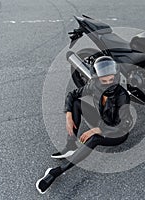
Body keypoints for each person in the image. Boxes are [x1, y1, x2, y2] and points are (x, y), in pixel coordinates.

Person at [36, 56, 133, 194]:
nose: (108, 84)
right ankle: (70, 146)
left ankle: (56, 171)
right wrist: (68, 114)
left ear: (116, 77)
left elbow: (125, 125)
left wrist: (97, 130)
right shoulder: (94, 86)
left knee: (94, 139)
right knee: (76, 104)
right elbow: (72, 94)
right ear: (96, 79)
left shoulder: (122, 95)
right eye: (104, 81)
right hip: (102, 120)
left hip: (117, 132)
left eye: (111, 80)